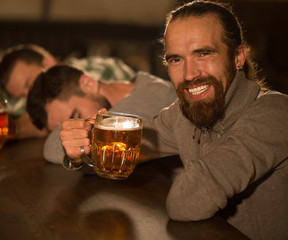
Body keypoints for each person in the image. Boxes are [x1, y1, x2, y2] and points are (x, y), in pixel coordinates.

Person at [59, 1, 288, 239]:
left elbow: (185, 203)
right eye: (176, 60)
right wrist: (81, 150)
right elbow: (117, 158)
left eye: (204, 53)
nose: (189, 74)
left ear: (238, 57)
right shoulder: (185, 114)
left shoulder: (276, 113)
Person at [26, 64, 177, 165]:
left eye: (76, 116)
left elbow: (51, 147)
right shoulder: (133, 87)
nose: (72, 131)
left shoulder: (151, 96)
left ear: (88, 84)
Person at [0, 44, 136, 139]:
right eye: (22, 96)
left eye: (30, 84)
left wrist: (19, 128)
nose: (28, 96)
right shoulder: (35, 101)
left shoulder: (94, 72)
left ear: (48, 63)